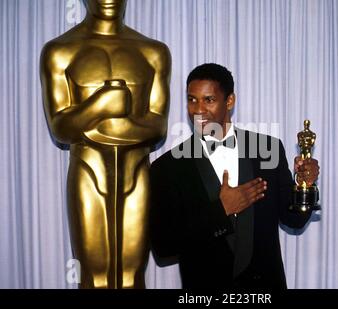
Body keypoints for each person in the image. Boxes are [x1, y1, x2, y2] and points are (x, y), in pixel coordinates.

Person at [149, 63, 319, 288]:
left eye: (208, 99)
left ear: (230, 101)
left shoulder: (267, 149)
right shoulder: (168, 166)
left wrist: (305, 186)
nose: (198, 110)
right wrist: (221, 210)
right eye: (192, 100)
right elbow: (163, 246)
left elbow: (294, 219)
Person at [40, 0, 171, 288]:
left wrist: (103, 124)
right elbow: (60, 127)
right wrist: (101, 105)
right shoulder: (60, 51)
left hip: (136, 170)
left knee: (133, 273)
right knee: (94, 274)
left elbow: (158, 126)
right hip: (89, 169)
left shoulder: (153, 52)